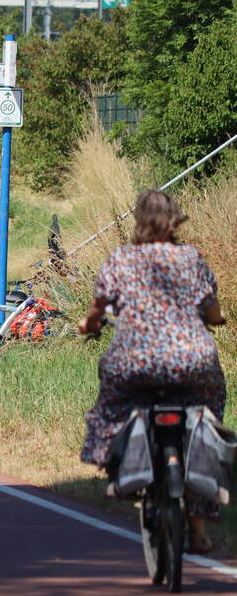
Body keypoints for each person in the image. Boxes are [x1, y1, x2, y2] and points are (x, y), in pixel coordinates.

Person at [78, 190, 226, 554]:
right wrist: (216, 319)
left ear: (139, 220)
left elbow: (98, 306)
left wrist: (89, 324)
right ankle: (198, 529)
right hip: (192, 362)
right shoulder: (191, 258)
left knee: (112, 401)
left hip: (135, 361)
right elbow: (212, 312)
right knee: (203, 424)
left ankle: (116, 466)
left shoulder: (122, 259)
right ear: (175, 219)